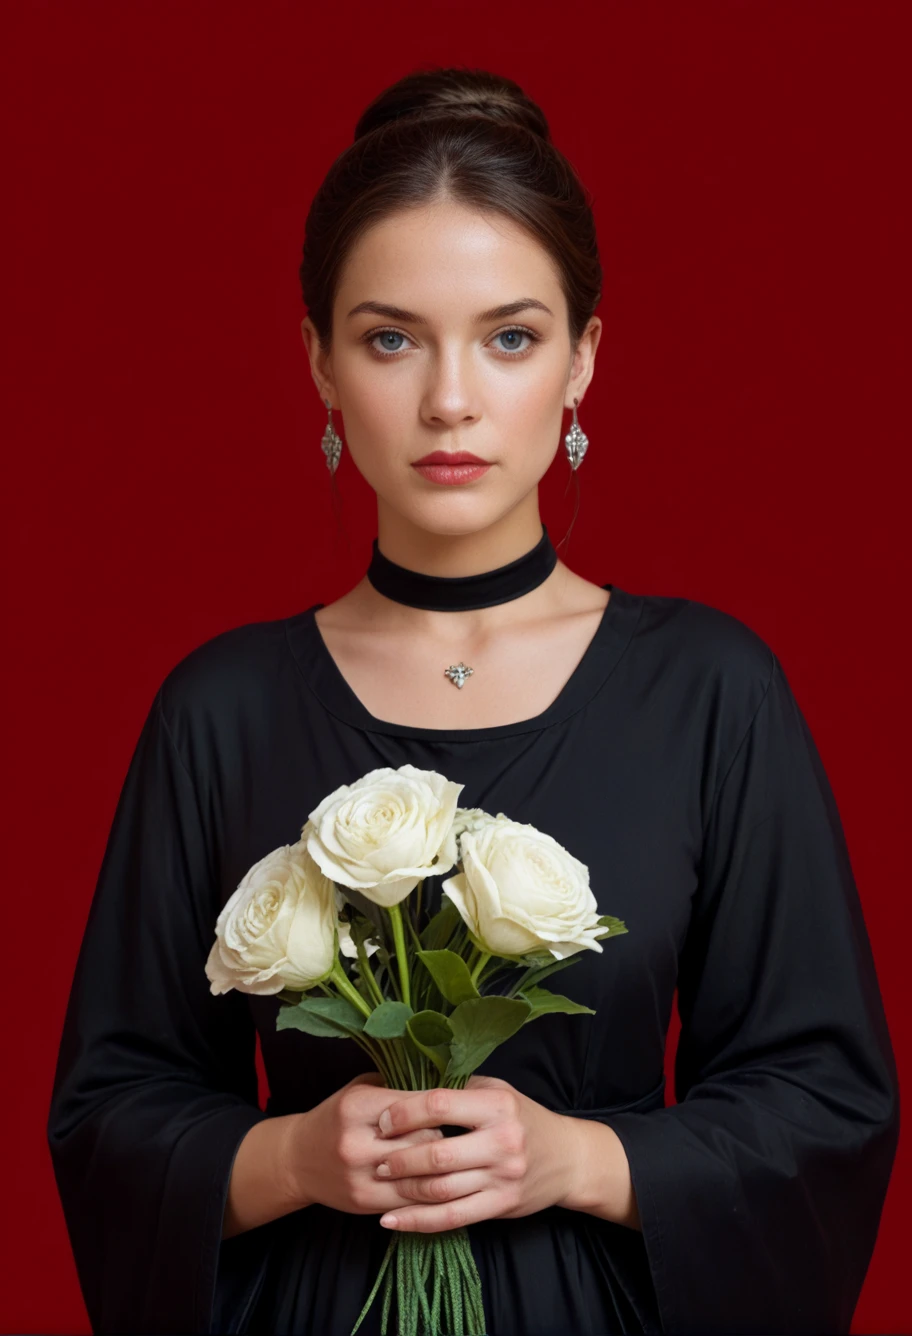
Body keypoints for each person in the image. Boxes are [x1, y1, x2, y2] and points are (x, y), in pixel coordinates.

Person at [46, 66, 899, 1336]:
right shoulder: (218, 710)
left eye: (511, 336)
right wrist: (299, 1157)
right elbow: (112, 1107)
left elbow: (826, 1100)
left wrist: (575, 1160)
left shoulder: (713, 690)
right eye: (391, 338)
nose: (451, 399)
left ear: (583, 360)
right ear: (321, 364)